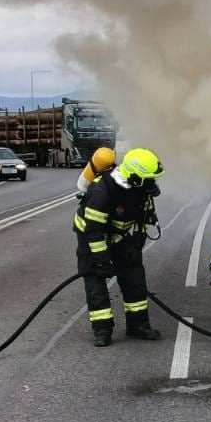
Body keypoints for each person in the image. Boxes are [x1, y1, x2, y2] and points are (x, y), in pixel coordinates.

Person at [74, 147, 163, 346]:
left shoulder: (140, 190)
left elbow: (144, 218)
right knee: (96, 281)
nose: (152, 184)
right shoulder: (102, 191)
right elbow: (94, 230)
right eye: (148, 179)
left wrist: (136, 245)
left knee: (134, 277)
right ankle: (102, 330)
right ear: (134, 177)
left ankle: (138, 326)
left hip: (120, 236)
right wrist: (101, 260)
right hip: (90, 237)